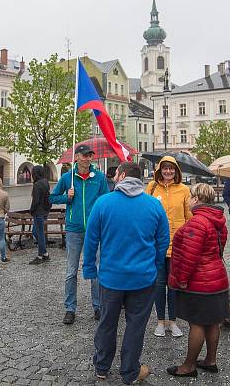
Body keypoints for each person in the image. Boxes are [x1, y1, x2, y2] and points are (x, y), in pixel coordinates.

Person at [83, 161, 168, 384]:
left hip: (111, 278)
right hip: (143, 278)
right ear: (140, 179)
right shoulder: (154, 205)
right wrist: (156, 264)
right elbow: (163, 241)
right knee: (135, 327)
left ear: (120, 176)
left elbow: (91, 239)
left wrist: (90, 267)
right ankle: (130, 371)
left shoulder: (103, 203)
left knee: (107, 324)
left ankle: (102, 366)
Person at [166, 183, 229, 379]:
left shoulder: (196, 223)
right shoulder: (218, 220)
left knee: (197, 324)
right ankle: (210, 360)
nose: (189, 199)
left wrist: (182, 280)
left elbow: (189, 256)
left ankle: (188, 366)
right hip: (217, 278)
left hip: (200, 282)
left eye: (191, 196)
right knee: (212, 322)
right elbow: (219, 248)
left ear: (197, 198)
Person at [50, 143, 109, 325]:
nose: (88, 158)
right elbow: (52, 198)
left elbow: (106, 199)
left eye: (90, 155)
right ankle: (70, 308)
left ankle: (98, 306)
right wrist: (66, 197)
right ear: (76, 157)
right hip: (74, 230)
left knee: (96, 271)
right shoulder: (68, 178)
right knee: (71, 271)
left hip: (94, 230)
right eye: (84, 155)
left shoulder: (99, 177)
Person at [146, 156, 191, 338]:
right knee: (158, 284)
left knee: (174, 286)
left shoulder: (184, 190)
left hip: (177, 245)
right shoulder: (151, 188)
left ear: (176, 171)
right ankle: (160, 322)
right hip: (156, 245)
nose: (168, 172)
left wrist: (189, 239)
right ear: (159, 170)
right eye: (164, 168)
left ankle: (172, 321)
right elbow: (145, 213)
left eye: (171, 169)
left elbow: (189, 217)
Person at [29, 165, 51, 265]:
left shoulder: (37, 184)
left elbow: (36, 201)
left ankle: (40, 256)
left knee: (39, 234)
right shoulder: (45, 182)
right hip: (44, 212)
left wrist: (31, 210)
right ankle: (45, 253)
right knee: (35, 232)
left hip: (38, 212)